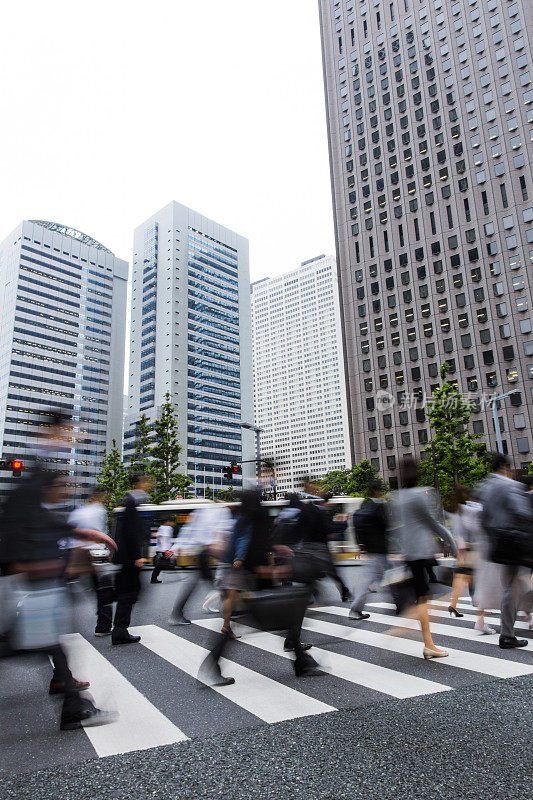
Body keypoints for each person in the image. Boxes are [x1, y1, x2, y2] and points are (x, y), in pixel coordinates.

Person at [1, 471, 117, 729]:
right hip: (27, 592)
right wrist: (56, 567)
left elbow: (61, 528)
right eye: (60, 486)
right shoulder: (27, 514)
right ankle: (70, 704)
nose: (64, 491)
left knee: (53, 645)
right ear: (45, 489)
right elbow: (17, 563)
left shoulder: (40, 512)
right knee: (26, 645)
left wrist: (92, 537)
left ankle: (68, 697)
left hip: (37, 592)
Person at [391, 458, 457, 659]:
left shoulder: (396, 497)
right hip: (422, 552)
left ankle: (427, 641)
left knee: (423, 596)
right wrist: (451, 543)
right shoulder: (421, 495)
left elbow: (396, 527)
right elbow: (433, 523)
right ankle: (424, 642)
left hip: (410, 553)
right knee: (424, 597)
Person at [478, 453, 532, 649]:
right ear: (504, 467)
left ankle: (507, 633)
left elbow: (482, 520)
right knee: (516, 586)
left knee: (512, 586)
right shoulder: (511, 486)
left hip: (498, 544)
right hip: (516, 542)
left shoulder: (484, 488)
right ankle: (507, 634)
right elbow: (523, 513)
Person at [168, 502, 234, 625]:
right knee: (221, 580)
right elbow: (222, 533)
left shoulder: (202, 510)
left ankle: (176, 613)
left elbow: (188, 530)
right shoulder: (223, 512)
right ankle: (232, 608)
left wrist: (176, 547)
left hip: (198, 552)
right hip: (208, 552)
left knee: (198, 582)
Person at [68, 486, 116, 637]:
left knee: (90, 589)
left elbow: (70, 532)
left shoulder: (78, 512)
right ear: (99, 497)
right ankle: (103, 626)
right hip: (96, 554)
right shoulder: (99, 510)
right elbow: (101, 533)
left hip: (78, 554)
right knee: (104, 590)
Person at [111, 473, 153, 645]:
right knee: (128, 595)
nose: (148, 485)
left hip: (126, 559)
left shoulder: (130, 503)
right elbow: (131, 534)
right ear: (139, 483)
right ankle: (120, 631)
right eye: (146, 481)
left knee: (128, 594)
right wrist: (138, 556)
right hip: (129, 559)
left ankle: (120, 630)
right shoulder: (131, 504)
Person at [447, 487, 495, 635]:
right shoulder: (475, 510)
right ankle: (480, 619)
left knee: (466, 580)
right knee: (480, 584)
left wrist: (460, 553)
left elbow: (459, 533)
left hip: (466, 551)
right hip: (477, 551)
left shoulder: (460, 512)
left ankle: (458, 605)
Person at [349, 480, 390, 620]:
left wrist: (362, 546)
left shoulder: (364, 507)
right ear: (377, 491)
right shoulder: (379, 507)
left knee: (374, 579)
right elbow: (386, 527)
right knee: (376, 579)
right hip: (380, 550)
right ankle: (355, 609)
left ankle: (356, 608)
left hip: (370, 550)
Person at [150, 518, 175, 584]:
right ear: (167, 521)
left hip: (163, 549)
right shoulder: (165, 528)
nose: (173, 524)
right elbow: (163, 539)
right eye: (172, 522)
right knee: (160, 565)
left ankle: (154, 578)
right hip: (163, 550)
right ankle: (153, 578)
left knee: (160, 565)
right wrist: (165, 550)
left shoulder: (165, 528)